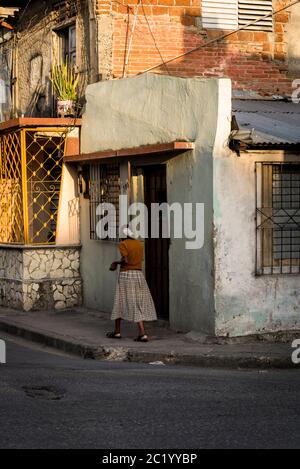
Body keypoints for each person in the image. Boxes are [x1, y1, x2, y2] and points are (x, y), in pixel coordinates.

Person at [107, 226, 157, 342]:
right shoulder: (139, 244)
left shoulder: (123, 244)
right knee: (138, 301)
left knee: (120, 301)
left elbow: (126, 260)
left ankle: (118, 332)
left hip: (127, 275)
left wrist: (115, 263)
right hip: (139, 275)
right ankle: (141, 333)